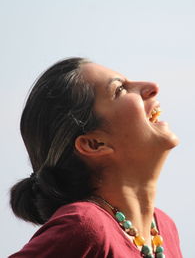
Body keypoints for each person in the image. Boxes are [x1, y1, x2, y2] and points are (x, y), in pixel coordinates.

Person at [9, 58, 182, 258]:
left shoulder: (164, 229)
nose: (152, 87)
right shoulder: (84, 226)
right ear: (94, 144)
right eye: (120, 90)